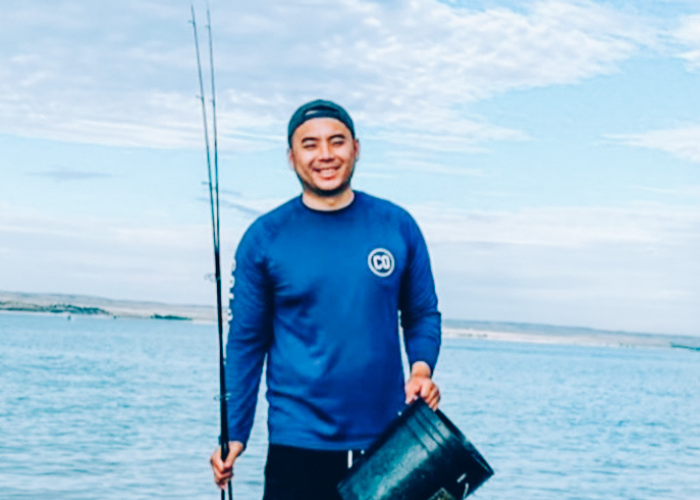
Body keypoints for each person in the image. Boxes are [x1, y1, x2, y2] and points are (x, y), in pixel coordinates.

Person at [210, 99, 442, 499]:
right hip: (298, 442)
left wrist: (421, 369)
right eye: (310, 144)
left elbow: (421, 314)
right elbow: (246, 343)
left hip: (388, 441)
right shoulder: (265, 238)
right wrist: (234, 432)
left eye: (336, 142)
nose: (325, 155)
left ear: (356, 148)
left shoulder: (397, 225)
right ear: (292, 156)